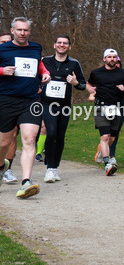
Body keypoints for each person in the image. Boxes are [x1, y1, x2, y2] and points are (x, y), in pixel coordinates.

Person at [0, 18, 52, 198]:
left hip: (31, 100)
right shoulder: (3, 49)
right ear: (12, 31)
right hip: (7, 100)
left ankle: (26, 182)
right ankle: (2, 166)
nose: (22, 33)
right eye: (19, 30)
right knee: (4, 143)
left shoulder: (36, 48)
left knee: (29, 140)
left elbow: (39, 65)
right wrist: (2, 71)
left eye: (26, 30)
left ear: (29, 31)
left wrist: (45, 73)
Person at [41, 35, 87, 181]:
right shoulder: (45, 61)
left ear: (69, 46)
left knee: (60, 136)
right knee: (51, 132)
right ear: (54, 45)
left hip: (64, 106)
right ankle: (49, 168)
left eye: (65, 43)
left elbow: (83, 85)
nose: (62, 45)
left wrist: (75, 83)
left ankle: (55, 167)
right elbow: (36, 78)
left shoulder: (74, 63)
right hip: (47, 103)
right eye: (59, 42)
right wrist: (40, 85)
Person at [87, 49, 124, 174]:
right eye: (109, 57)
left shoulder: (122, 73)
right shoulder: (96, 73)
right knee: (105, 136)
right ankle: (107, 163)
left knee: (112, 138)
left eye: (114, 57)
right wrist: (90, 90)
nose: (112, 59)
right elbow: (88, 84)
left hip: (117, 108)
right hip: (101, 107)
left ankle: (102, 151)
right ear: (104, 59)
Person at [0, 33, 17, 184]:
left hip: (10, 101)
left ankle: (7, 170)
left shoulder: (16, 59)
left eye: (8, 41)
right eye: (2, 42)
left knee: (12, 134)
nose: (5, 44)